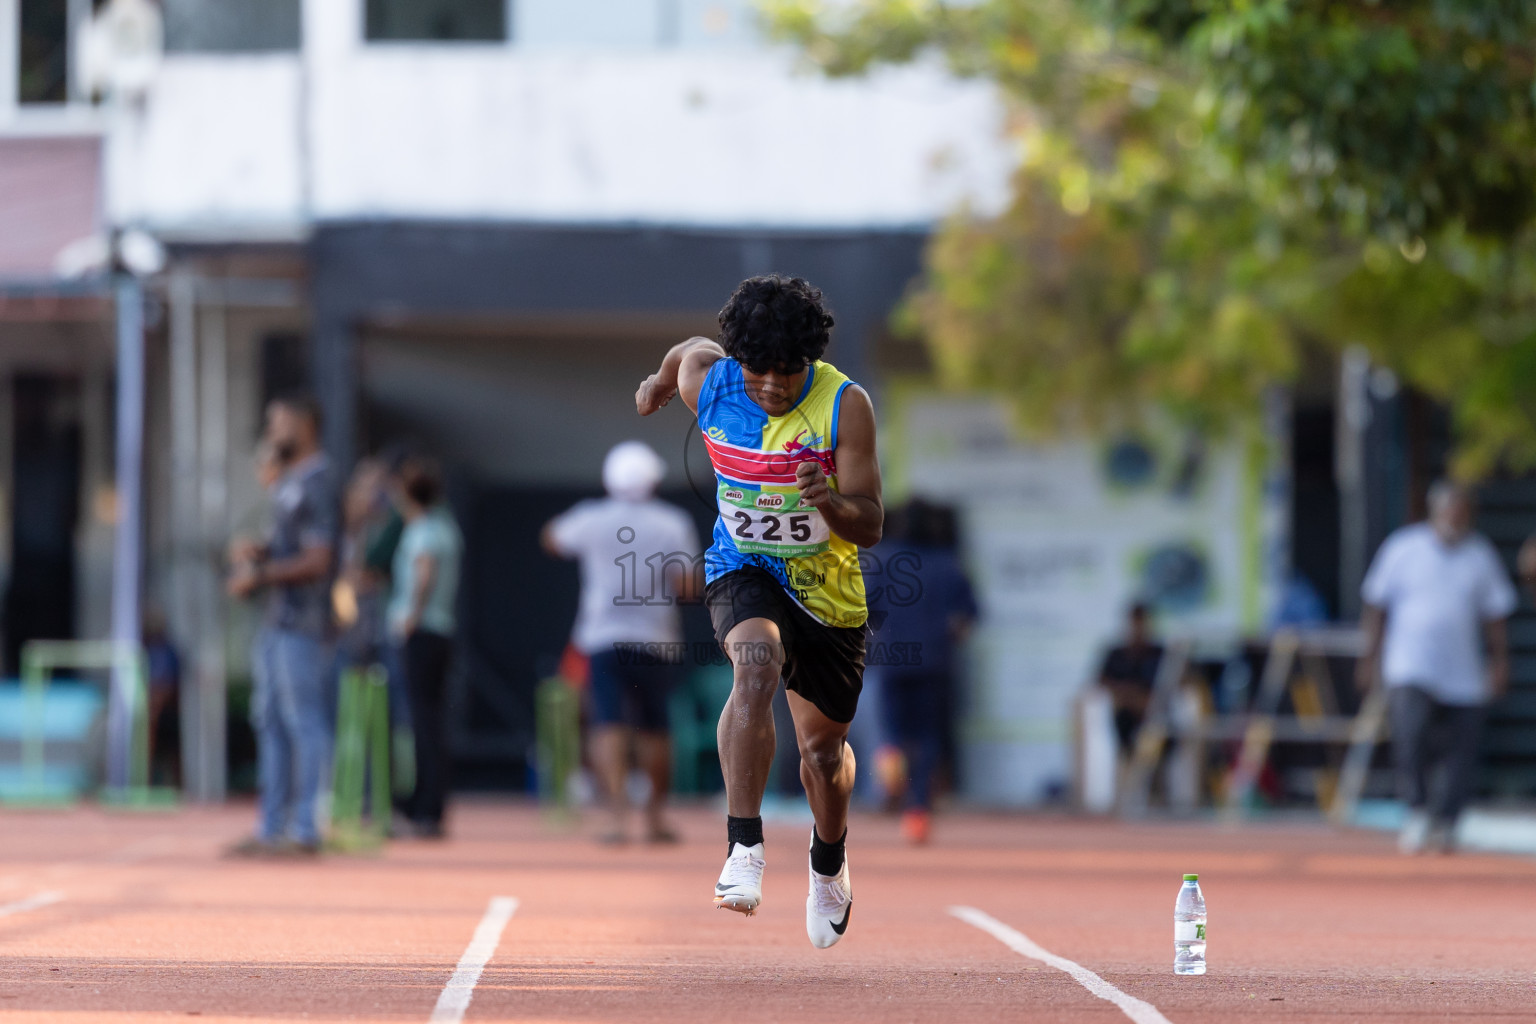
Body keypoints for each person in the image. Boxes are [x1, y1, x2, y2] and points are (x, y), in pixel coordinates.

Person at [636, 273, 883, 949]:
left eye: (788, 372)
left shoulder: (844, 405)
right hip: (742, 566)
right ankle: (743, 847)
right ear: (736, 359)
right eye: (758, 370)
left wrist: (829, 499)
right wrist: (660, 384)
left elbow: (870, 525)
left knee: (822, 752)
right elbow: (688, 349)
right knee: (755, 666)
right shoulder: (710, 384)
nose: (772, 386)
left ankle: (828, 860)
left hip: (828, 595)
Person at [541, 440, 700, 845]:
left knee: (606, 723)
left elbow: (552, 538)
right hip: (656, 638)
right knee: (655, 727)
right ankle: (655, 819)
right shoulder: (673, 522)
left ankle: (615, 818)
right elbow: (687, 586)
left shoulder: (591, 518)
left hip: (602, 637)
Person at [1357, 480, 1516, 854]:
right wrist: (1370, 659)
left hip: (1462, 670)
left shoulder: (1480, 555)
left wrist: (1499, 663)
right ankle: (1416, 810)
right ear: (1434, 511)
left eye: (1462, 513)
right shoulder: (1403, 548)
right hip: (1411, 663)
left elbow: (1496, 617)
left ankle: (1448, 820)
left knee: (1463, 750)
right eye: (1449, 511)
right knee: (1410, 737)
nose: (1455, 519)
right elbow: (1376, 606)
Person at [226, 395, 338, 856]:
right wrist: (260, 553)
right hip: (277, 619)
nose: (274, 431)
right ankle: (272, 825)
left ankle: (305, 826)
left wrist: (261, 575)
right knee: (269, 719)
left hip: (302, 621)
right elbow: (290, 549)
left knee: (302, 720)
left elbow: (318, 558)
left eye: (281, 422)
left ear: (306, 424)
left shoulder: (317, 483)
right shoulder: (288, 484)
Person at [866, 499, 977, 844]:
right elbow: (968, 616)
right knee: (928, 736)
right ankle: (917, 812)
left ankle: (891, 779)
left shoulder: (881, 559)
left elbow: (862, 610)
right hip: (934, 659)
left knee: (892, 731)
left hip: (891, 658)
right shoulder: (948, 563)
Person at [387, 455, 463, 839]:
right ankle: (427, 805)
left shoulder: (423, 531)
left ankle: (425, 808)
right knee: (429, 721)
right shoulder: (445, 526)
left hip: (423, 631)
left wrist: (412, 615)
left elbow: (425, 570)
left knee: (421, 722)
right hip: (440, 629)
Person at [1098, 602, 1165, 755]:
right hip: (1123, 718)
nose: (1138, 630)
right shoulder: (1115, 654)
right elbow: (1100, 685)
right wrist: (1130, 696)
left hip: (1155, 717)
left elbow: (1171, 684)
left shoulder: (1159, 654)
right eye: (1135, 624)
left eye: (1142, 624)